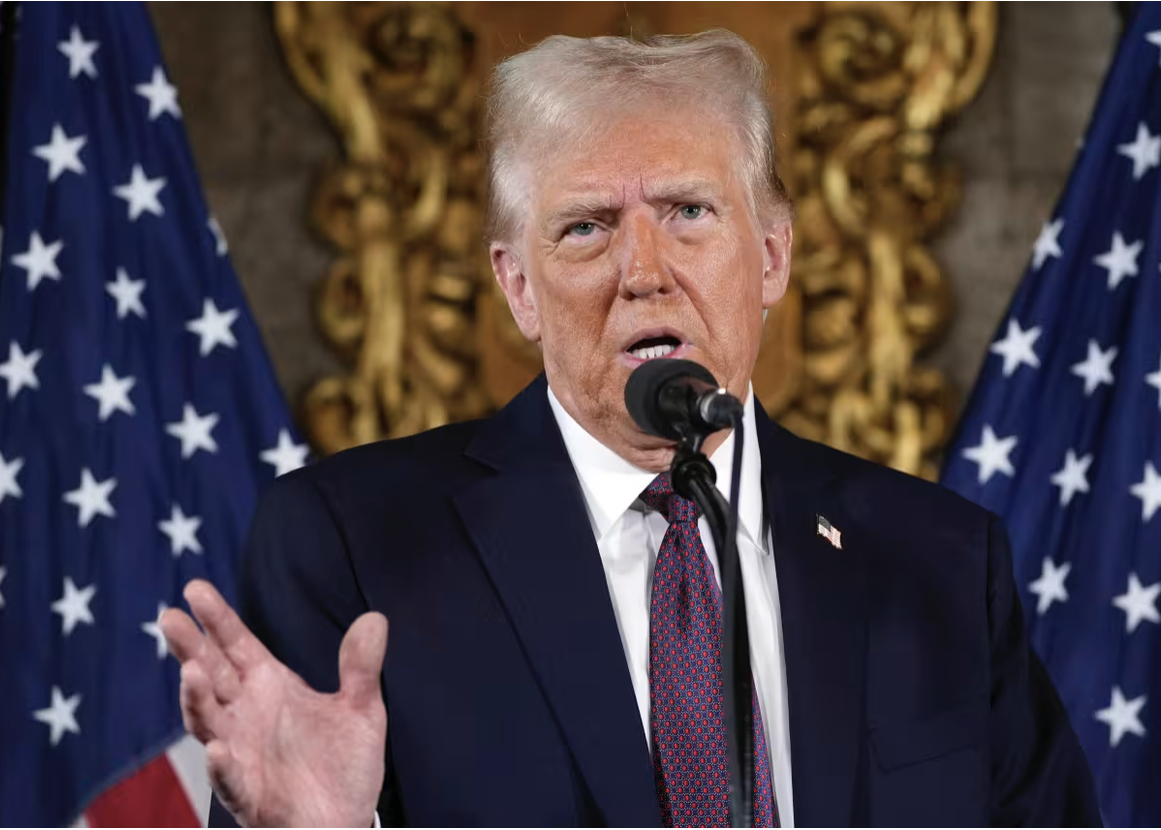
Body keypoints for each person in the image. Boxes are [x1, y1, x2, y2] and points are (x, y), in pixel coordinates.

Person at [160, 30, 1101, 827]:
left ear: (772, 256)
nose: (642, 272)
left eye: (689, 213)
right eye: (586, 229)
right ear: (517, 286)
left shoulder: (937, 559)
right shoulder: (351, 545)